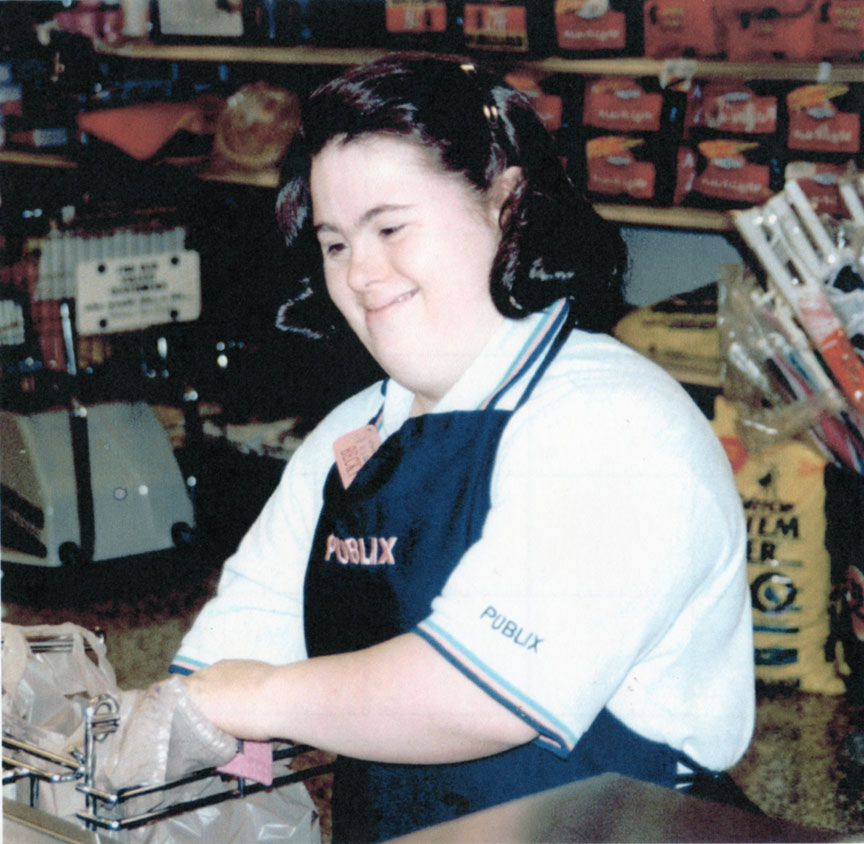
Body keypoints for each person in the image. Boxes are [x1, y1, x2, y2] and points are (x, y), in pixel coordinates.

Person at [170, 53, 755, 843]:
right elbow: (225, 655)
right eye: (336, 243)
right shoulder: (352, 434)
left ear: (505, 203)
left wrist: (251, 701)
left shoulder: (613, 426)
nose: (361, 273)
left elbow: (474, 699)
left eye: (390, 227)